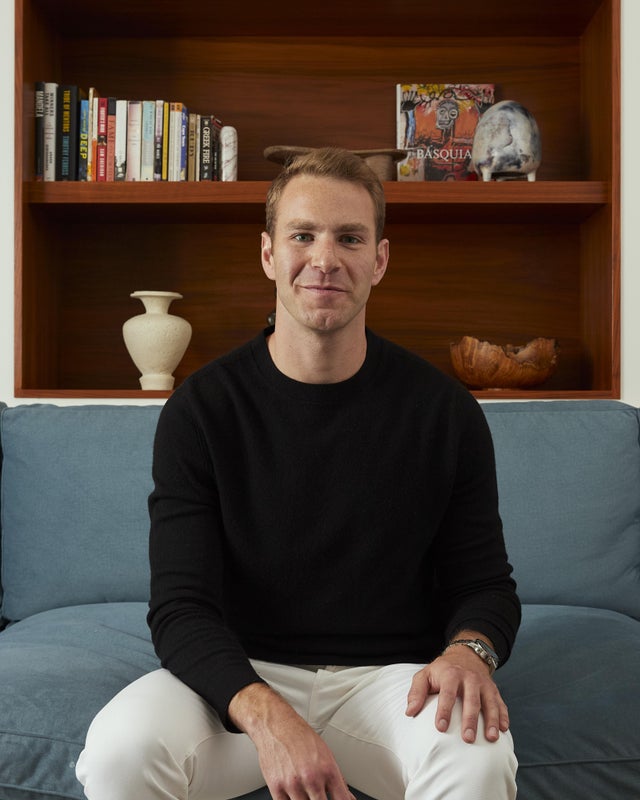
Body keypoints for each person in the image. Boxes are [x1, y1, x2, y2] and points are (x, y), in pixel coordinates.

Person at [76, 147, 520, 800]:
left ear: (380, 260)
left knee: (479, 762)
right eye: (302, 235)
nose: (325, 259)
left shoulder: (445, 412)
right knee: (119, 754)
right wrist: (268, 715)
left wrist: (468, 653)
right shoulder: (201, 410)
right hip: (239, 681)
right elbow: (180, 608)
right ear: (268, 254)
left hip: (393, 684)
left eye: (349, 238)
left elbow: (485, 586)